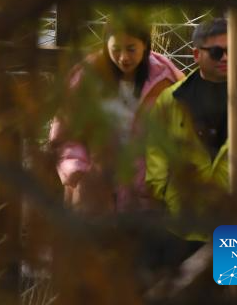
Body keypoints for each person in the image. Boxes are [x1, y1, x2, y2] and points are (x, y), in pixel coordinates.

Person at [145, 17, 237, 246]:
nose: (225, 58)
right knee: (182, 272)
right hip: (183, 225)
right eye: (216, 52)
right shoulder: (171, 100)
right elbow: (156, 152)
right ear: (196, 55)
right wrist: (164, 195)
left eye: (231, 51)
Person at [48, 18, 183, 213]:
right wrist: (78, 170)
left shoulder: (167, 80)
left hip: (148, 192)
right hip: (94, 191)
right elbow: (64, 131)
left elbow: (182, 133)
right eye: (116, 49)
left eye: (131, 49)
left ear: (145, 45)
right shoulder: (86, 77)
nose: (123, 57)